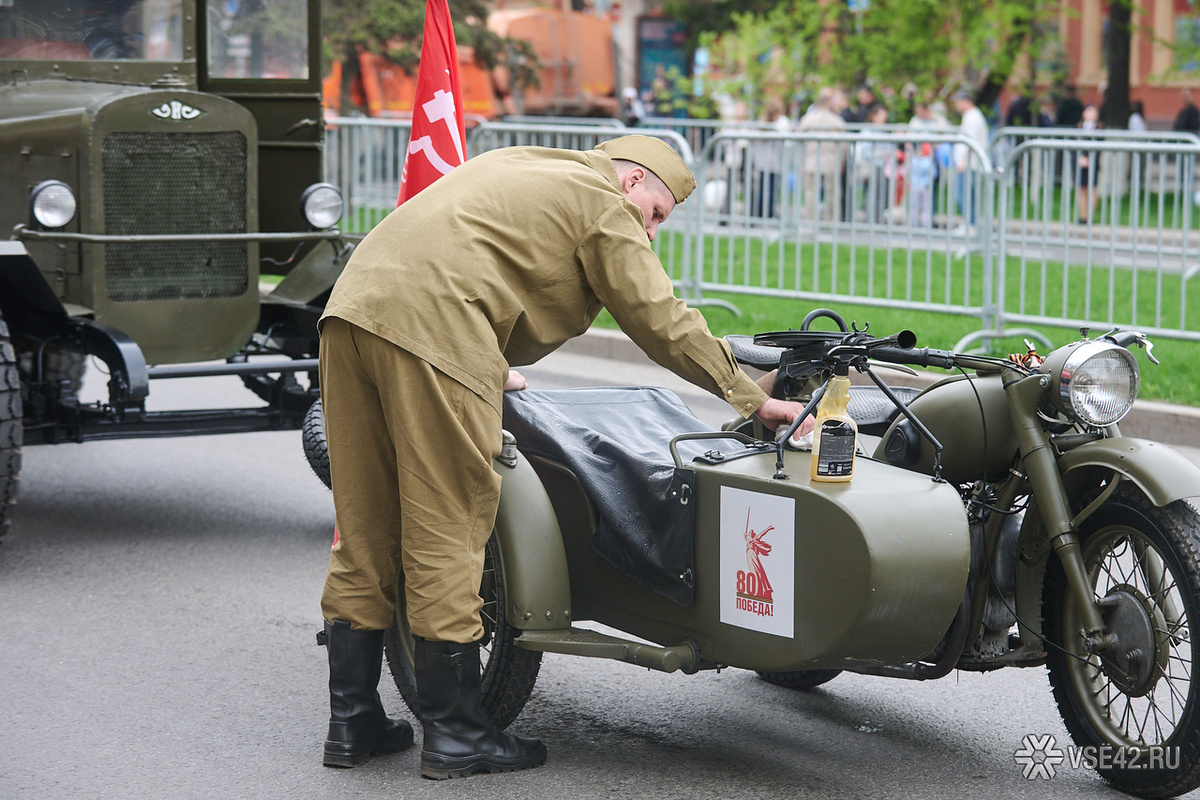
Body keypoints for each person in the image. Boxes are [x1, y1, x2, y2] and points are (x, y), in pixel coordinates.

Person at [315, 135, 813, 779]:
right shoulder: (604, 201)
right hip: (435, 327)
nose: (653, 232)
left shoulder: (525, 162)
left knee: (364, 526)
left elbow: (467, 248)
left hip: (350, 313)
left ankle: (350, 723)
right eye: (657, 213)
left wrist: (482, 355)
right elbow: (659, 317)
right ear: (632, 182)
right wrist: (747, 395)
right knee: (449, 523)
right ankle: (455, 733)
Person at [797, 87, 848, 221]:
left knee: (811, 193)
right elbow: (844, 145)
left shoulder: (808, 119)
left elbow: (799, 139)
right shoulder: (837, 121)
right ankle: (832, 221)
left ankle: (810, 221)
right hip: (832, 162)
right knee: (832, 194)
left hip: (812, 161)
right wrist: (841, 161)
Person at [953, 89, 989, 231]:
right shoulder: (971, 115)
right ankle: (969, 223)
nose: (956, 104)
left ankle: (970, 224)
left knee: (964, 195)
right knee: (967, 195)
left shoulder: (973, 117)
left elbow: (971, 142)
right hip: (970, 163)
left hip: (970, 164)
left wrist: (963, 160)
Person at [1076, 103, 1101, 223]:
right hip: (1080, 162)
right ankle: (1083, 216)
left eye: (1094, 112)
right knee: (1081, 189)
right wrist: (1080, 157)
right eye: (1089, 111)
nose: (1091, 114)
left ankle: (1090, 216)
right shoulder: (1079, 127)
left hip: (1094, 162)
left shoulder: (1100, 129)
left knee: (1092, 188)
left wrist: (1091, 159)